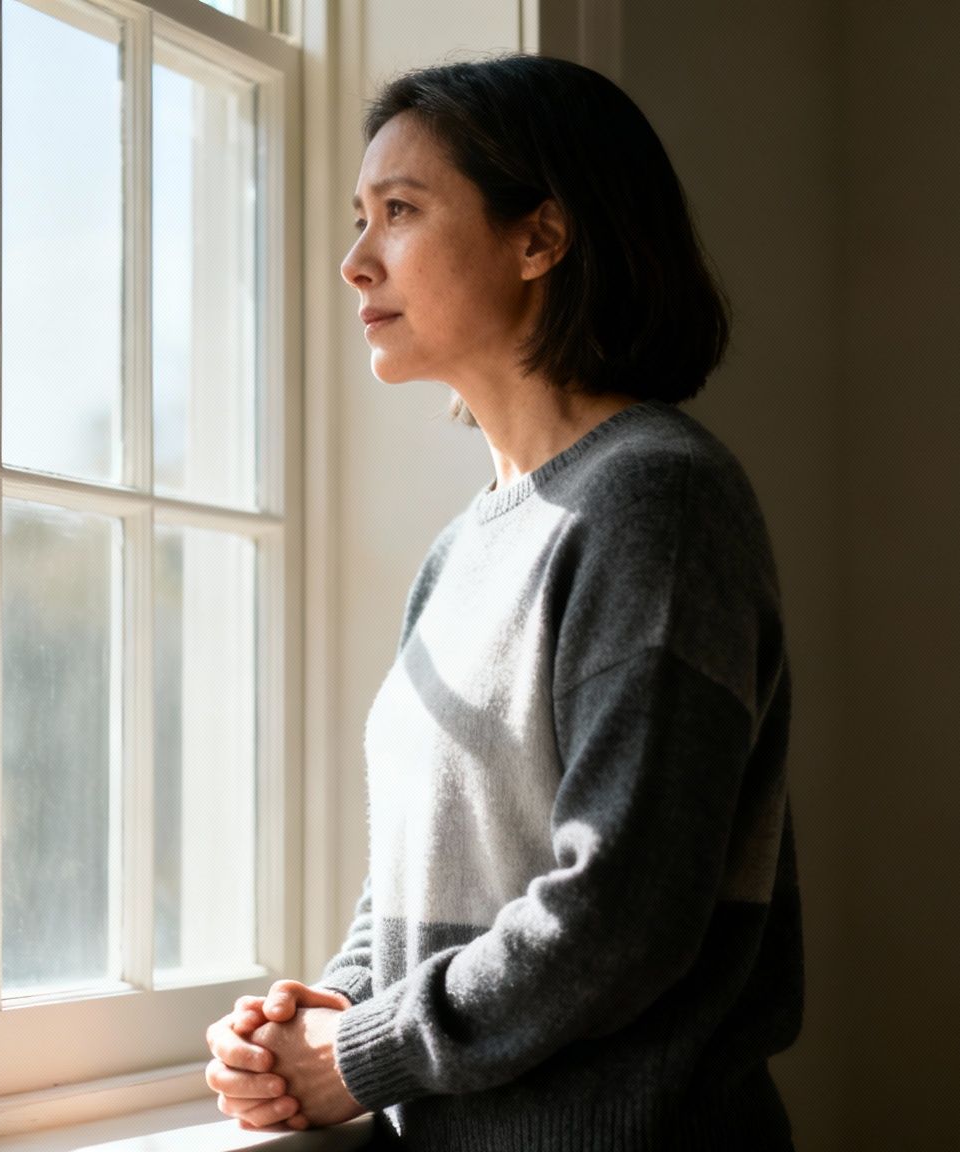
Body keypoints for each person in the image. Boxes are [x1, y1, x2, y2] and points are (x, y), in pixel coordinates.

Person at [202, 53, 804, 1149]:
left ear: (540, 238)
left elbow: (620, 915)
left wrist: (357, 1054)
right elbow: (428, 870)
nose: (354, 260)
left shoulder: (656, 502)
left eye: (399, 211)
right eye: (360, 217)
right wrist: (324, 1012)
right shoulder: (465, 547)